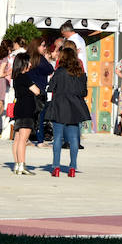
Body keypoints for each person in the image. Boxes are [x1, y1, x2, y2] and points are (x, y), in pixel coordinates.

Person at [48, 46, 89, 177]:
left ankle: (56, 167)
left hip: (59, 105)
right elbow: (84, 92)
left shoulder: (59, 72)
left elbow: (51, 88)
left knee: (58, 138)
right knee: (73, 139)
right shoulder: (81, 74)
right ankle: (72, 167)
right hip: (75, 107)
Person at [10, 52, 39, 175]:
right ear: (23, 64)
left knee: (17, 138)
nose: (31, 64)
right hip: (27, 109)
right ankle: (22, 165)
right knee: (23, 139)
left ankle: (17, 165)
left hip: (18, 109)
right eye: (29, 62)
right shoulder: (25, 77)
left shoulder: (16, 77)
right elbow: (36, 91)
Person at [27, 36, 55, 146]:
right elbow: (50, 69)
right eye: (43, 46)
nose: (44, 48)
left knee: (29, 116)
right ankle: (40, 141)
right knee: (40, 115)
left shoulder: (27, 57)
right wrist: (47, 59)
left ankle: (26, 138)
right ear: (36, 46)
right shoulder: (40, 59)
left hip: (28, 89)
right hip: (39, 90)